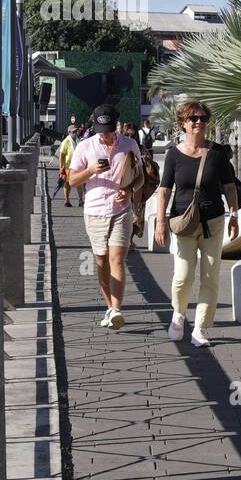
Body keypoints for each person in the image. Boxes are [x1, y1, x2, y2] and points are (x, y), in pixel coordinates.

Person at [155, 100, 239, 347]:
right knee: (183, 276)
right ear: (183, 123)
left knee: (210, 276)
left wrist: (234, 216)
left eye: (203, 118)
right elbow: (163, 190)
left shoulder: (217, 154)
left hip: (212, 221)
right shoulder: (173, 155)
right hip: (184, 223)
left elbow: (230, 188)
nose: (199, 122)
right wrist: (161, 222)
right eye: (193, 119)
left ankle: (201, 327)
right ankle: (179, 315)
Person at [67, 105, 143, 330]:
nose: (106, 135)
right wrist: (90, 170)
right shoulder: (85, 146)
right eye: (102, 130)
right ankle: (109, 307)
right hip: (95, 211)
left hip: (121, 210)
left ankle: (117, 309)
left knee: (117, 259)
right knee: (101, 262)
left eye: (109, 130)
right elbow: (71, 181)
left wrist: (129, 191)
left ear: (117, 126)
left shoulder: (130, 145)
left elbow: (139, 177)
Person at [56, 129, 80, 208]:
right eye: (73, 132)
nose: (75, 133)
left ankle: (81, 200)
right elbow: (62, 155)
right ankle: (66, 200)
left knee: (79, 183)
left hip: (77, 165)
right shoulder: (66, 141)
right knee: (67, 183)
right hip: (68, 165)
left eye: (76, 131)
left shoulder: (78, 140)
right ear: (69, 132)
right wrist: (61, 167)